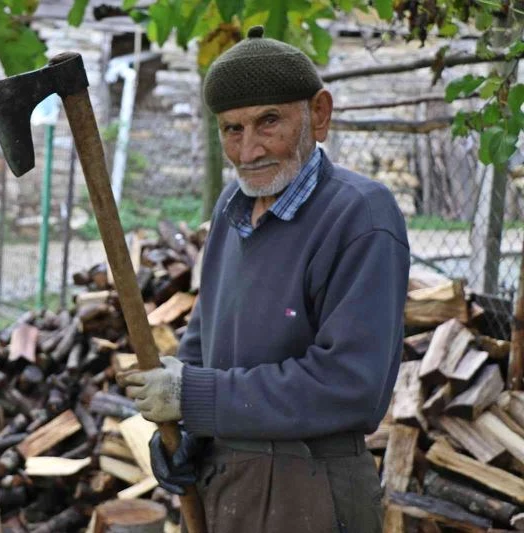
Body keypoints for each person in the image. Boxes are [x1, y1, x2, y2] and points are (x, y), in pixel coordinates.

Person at [117, 25, 410, 533]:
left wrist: (195, 398)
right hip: (225, 487)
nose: (249, 150)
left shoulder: (360, 215)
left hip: (312, 493)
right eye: (232, 129)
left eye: (268, 121)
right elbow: (204, 340)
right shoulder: (233, 206)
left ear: (318, 114)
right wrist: (185, 433)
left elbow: (349, 386)